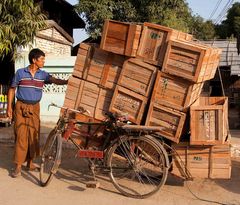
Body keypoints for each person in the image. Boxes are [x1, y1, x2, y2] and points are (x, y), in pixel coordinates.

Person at [7, 48, 68, 177]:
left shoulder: (43, 74)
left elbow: (55, 80)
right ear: (34, 60)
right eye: (42, 59)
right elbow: (12, 89)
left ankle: (30, 163)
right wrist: (9, 108)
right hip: (20, 107)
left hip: (35, 108)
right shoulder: (20, 73)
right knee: (21, 135)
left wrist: (68, 81)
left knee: (33, 134)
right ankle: (18, 165)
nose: (43, 62)